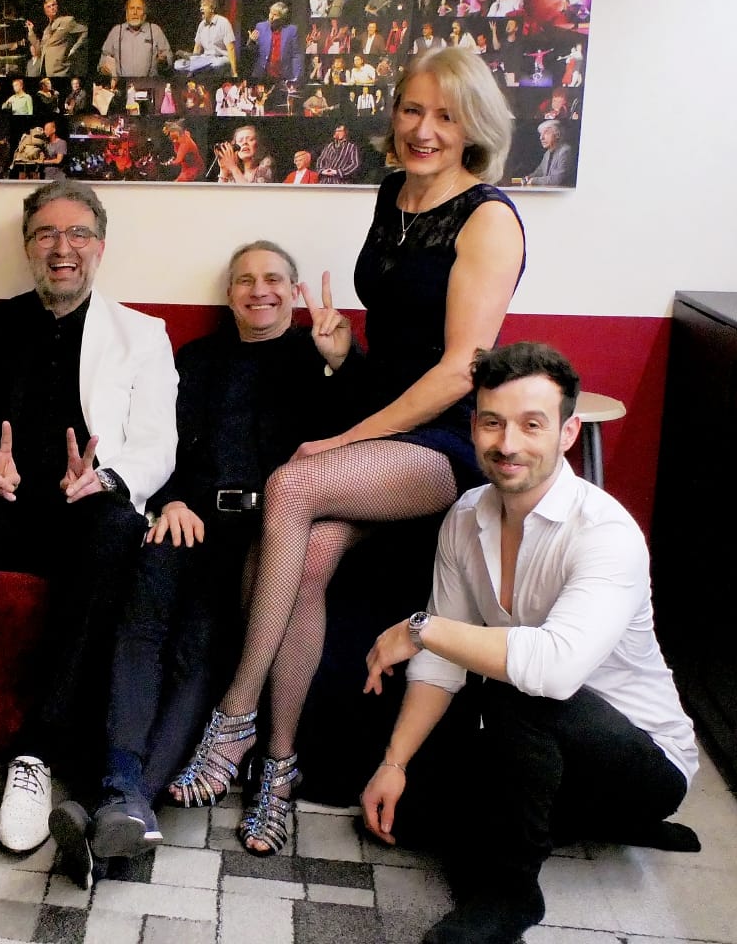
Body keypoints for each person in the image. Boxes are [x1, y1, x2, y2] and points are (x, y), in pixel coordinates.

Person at [167, 47, 526, 859]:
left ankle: (232, 718)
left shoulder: (488, 218)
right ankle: (278, 768)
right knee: (311, 556)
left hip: (445, 437)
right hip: (383, 420)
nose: (423, 129)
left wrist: (346, 438)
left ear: (473, 124)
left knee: (290, 486)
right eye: (411, 109)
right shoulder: (392, 192)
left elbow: (458, 369)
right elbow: (397, 346)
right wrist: (343, 358)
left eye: (443, 115)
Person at [360, 343, 697, 944]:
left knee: (521, 683)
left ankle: (511, 895)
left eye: (531, 425)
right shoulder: (466, 516)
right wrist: (395, 764)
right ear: (474, 427)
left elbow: (553, 669)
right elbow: (442, 665)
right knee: (408, 817)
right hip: (537, 747)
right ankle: (579, 825)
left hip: (642, 759)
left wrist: (419, 627)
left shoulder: (606, 533)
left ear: (568, 432)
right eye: (492, 422)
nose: (508, 443)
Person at [46, 241, 352, 884]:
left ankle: (123, 800)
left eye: (274, 279)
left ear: (294, 291)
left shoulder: (316, 357)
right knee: (141, 624)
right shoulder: (198, 358)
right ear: (229, 294)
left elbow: (350, 446)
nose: (259, 290)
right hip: (190, 517)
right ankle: (125, 796)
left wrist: (340, 364)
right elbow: (166, 441)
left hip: (270, 535)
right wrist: (175, 499)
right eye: (245, 280)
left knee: (199, 645)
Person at [0, 180, 178, 849]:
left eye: (77, 233)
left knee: (119, 526)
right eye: (46, 234)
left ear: (100, 246)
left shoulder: (142, 335)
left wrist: (105, 478)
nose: (62, 248)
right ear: (27, 247)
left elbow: (158, 443)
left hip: (80, 513)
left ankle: (37, 751)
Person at [97, 0, 172, 78]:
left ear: (144, 14)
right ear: (127, 13)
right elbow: (104, 57)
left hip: (149, 82)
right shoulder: (116, 31)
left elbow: (168, 56)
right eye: (132, 8)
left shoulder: (155, 30)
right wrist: (104, 69)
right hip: (122, 83)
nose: (135, 12)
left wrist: (164, 61)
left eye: (139, 9)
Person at [26, 0, 89, 78]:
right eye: (48, 7)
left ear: (57, 7)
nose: (52, 8)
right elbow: (39, 51)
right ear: (45, 11)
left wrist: (74, 49)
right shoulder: (46, 30)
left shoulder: (67, 21)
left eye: (53, 5)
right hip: (46, 70)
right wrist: (31, 31)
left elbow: (85, 30)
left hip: (61, 70)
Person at [174, 0, 237, 76]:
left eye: (204, 5)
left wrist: (234, 72)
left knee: (217, 63)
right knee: (177, 64)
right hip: (204, 58)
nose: (201, 8)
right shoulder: (201, 25)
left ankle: (197, 65)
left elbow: (231, 48)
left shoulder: (223, 22)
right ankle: (197, 65)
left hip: (220, 58)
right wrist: (192, 69)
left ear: (212, 9)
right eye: (201, 6)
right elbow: (197, 47)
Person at [248, 0, 300, 84]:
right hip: (262, 73)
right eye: (270, 13)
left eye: (275, 15)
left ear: (282, 17)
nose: (271, 17)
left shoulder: (291, 30)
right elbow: (253, 51)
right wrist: (252, 41)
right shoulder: (260, 27)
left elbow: (295, 54)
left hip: (282, 75)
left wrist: (295, 75)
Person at [521, 119, 575, 186]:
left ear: (557, 135)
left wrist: (534, 180)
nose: (541, 138)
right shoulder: (547, 153)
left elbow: (557, 180)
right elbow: (539, 172)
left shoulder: (565, 151)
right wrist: (528, 178)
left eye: (546, 133)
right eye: (541, 134)